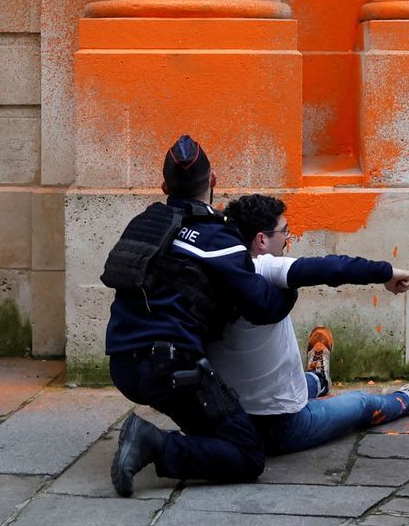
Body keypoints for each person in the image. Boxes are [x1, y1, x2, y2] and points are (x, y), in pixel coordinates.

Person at [101, 135, 298, 497]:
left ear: (163, 187)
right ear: (214, 181)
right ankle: (153, 443)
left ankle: (168, 439)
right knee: (247, 454)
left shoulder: (143, 225)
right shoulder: (217, 238)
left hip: (123, 367)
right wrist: (289, 279)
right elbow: (264, 307)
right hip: (172, 372)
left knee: (214, 427)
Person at [208, 194, 409, 455]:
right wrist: (387, 272)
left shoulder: (213, 269)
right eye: (284, 232)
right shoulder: (262, 266)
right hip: (281, 424)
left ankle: (319, 378)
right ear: (261, 240)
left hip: (226, 418)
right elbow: (332, 268)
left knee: (299, 380)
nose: (288, 240)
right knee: (362, 404)